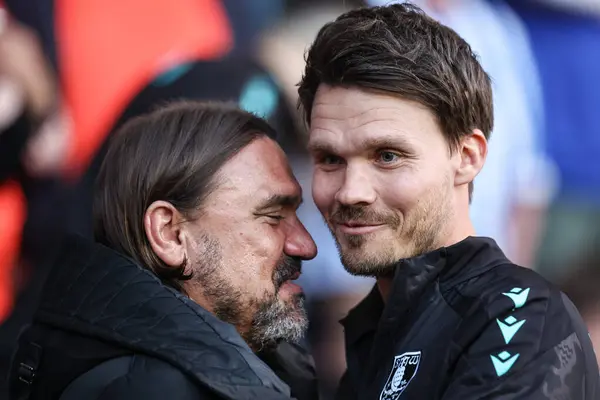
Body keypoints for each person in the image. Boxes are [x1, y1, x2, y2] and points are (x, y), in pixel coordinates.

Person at [297, 3, 599, 399]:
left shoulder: (523, 324)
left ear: (468, 157)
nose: (351, 190)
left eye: (388, 156)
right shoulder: (377, 330)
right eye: (330, 159)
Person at [9, 102, 319, 400]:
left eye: (297, 215)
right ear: (170, 234)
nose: (306, 246)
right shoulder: (147, 391)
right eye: (274, 217)